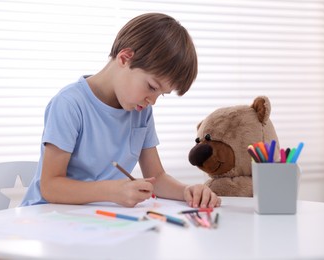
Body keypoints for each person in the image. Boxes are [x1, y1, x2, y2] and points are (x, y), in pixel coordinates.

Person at [21, 13, 221, 209]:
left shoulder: (141, 110)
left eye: (162, 94)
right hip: (48, 215)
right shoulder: (70, 104)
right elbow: (50, 187)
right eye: (152, 87)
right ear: (125, 58)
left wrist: (188, 190)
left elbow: (157, 178)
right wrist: (111, 191)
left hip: (95, 218)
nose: (152, 100)